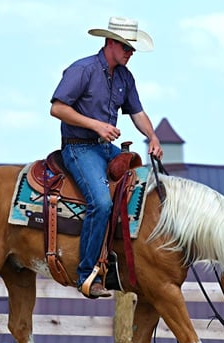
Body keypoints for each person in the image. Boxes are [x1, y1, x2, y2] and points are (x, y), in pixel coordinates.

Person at [50, 16, 164, 299]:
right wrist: (96, 125)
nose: (131, 52)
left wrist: (152, 137)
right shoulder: (83, 70)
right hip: (79, 147)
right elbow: (57, 108)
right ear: (110, 43)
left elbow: (137, 112)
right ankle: (87, 273)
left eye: (132, 47)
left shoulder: (125, 76)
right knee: (101, 203)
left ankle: (123, 259)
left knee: (141, 183)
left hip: (104, 148)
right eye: (126, 46)